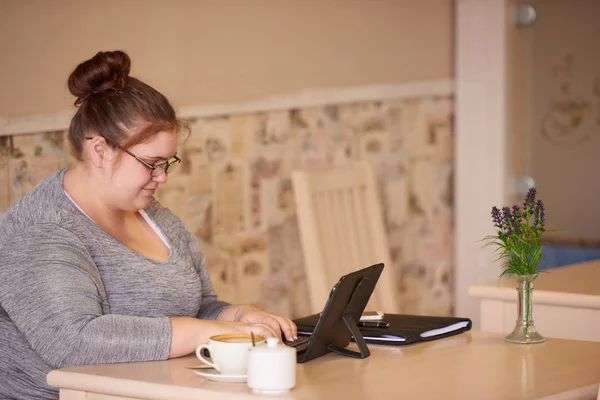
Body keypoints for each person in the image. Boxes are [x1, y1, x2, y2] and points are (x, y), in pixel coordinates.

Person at [0, 50, 298, 400]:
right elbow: (73, 342)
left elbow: (198, 306)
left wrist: (239, 315)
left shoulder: (153, 216)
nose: (162, 178)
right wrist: (204, 332)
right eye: (151, 163)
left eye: (167, 163)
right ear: (100, 150)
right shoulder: (43, 231)